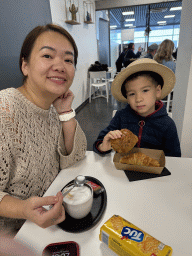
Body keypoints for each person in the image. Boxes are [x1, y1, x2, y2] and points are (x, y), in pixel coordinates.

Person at [0, 24, 87, 236]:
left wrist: (65, 113)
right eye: (47, 56)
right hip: (13, 237)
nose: (60, 66)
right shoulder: (4, 110)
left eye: (68, 60)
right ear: (25, 66)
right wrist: (23, 209)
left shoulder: (51, 109)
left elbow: (75, 155)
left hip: (52, 224)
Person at [93, 58, 181, 157]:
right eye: (132, 94)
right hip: (122, 168)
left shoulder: (167, 125)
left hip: (153, 170)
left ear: (157, 91)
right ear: (126, 96)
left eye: (145, 90)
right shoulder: (121, 117)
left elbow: (174, 157)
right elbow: (99, 142)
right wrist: (102, 146)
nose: (138, 99)